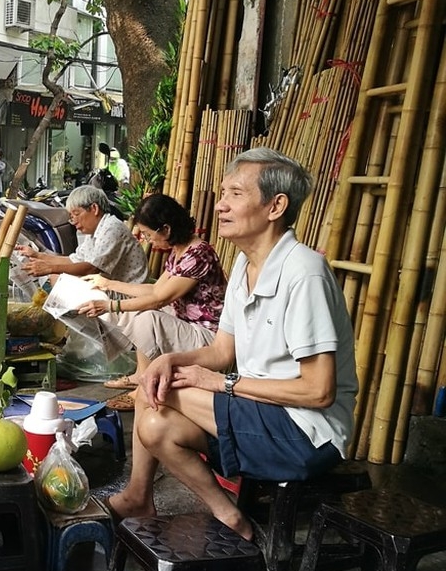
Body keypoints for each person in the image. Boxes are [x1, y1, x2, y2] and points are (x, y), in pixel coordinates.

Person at [107, 148, 358, 541]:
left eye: (235, 194)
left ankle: (139, 496)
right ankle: (228, 515)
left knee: (153, 392)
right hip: (260, 412)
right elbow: (223, 351)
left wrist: (221, 383)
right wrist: (170, 359)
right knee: (155, 424)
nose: (220, 205)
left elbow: (318, 391)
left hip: (306, 432)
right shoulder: (244, 263)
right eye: (223, 193)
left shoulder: (303, 272)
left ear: (275, 206)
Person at [76, 194, 227, 410]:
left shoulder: (199, 254)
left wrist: (110, 305)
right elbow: (155, 289)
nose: (147, 240)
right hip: (187, 322)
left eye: (148, 234)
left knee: (147, 316)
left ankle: (143, 386)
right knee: (137, 308)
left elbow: (159, 299)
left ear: (165, 229)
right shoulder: (180, 251)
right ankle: (141, 375)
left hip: (208, 336)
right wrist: (108, 284)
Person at [16, 185, 148, 284]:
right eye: (71, 217)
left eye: (76, 214)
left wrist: (50, 268)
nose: (73, 222)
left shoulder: (111, 228)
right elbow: (74, 260)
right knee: (57, 278)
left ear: (94, 209)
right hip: (110, 286)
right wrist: (37, 255)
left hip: (127, 292)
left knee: (58, 280)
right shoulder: (95, 232)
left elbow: (91, 269)